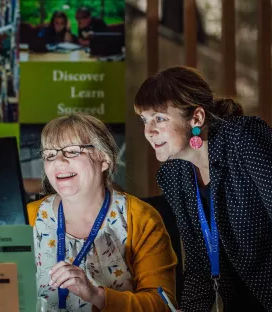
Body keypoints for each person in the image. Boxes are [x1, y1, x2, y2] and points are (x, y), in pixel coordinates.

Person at [134, 66, 272, 312]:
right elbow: (199, 263)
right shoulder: (174, 175)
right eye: (144, 119)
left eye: (159, 118)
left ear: (196, 118)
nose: (148, 131)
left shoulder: (244, 138)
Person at [27, 113, 177, 311]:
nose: (59, 161)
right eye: (50, 155)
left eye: (72, 151)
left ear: (104, 158)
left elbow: (163, 305)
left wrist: (97, 295)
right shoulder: (28, 218)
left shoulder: (140, 218)